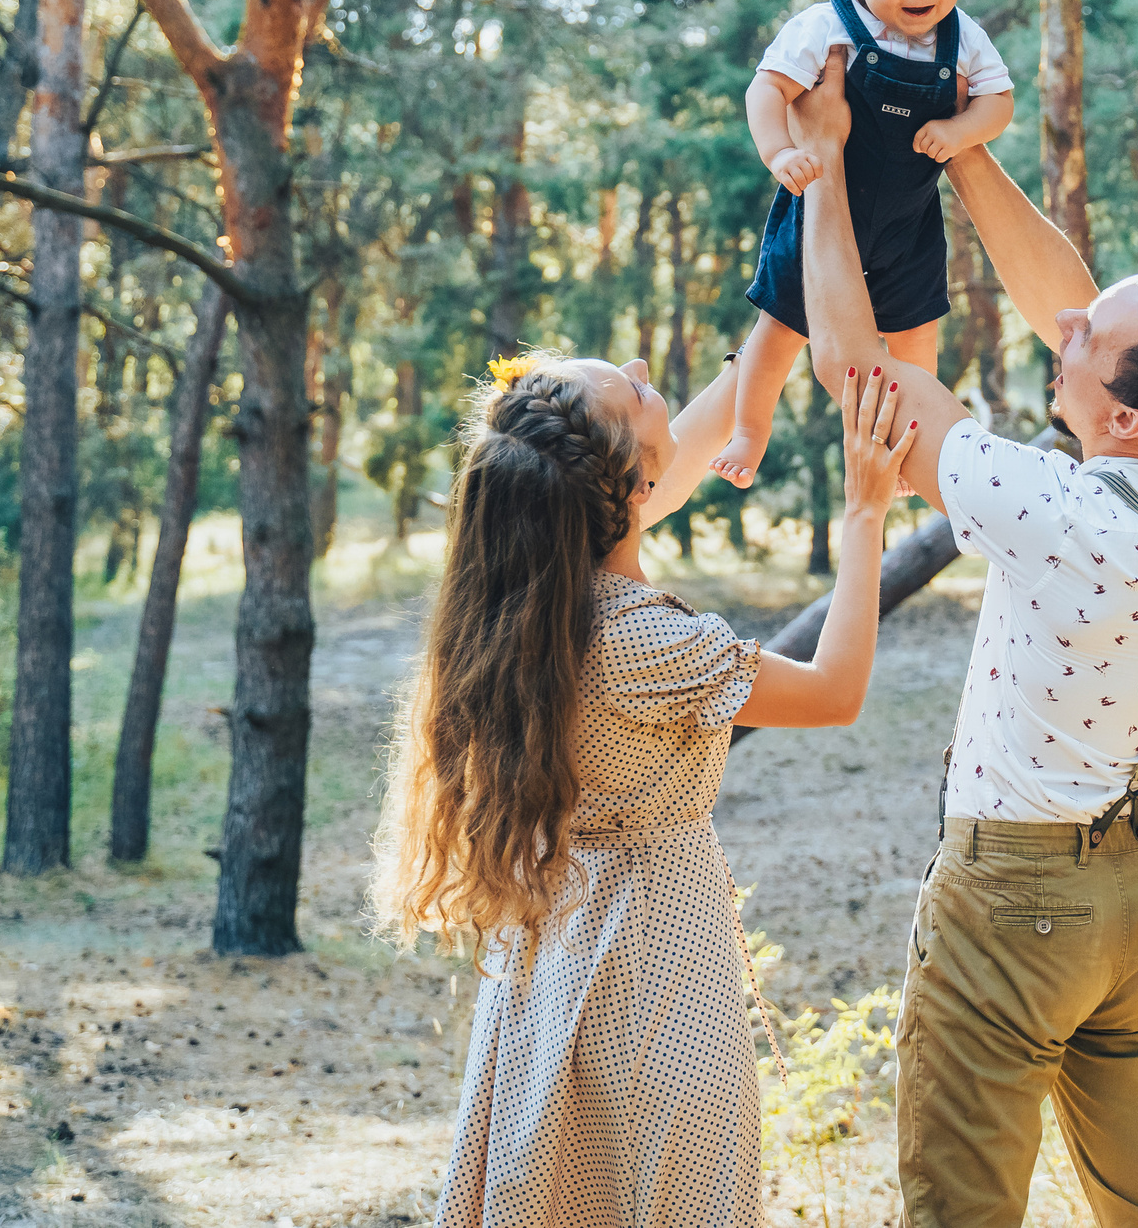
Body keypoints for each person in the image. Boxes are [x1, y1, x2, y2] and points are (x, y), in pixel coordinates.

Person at [787, 61, 1138, 1228]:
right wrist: (956, 147)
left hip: (1014, 902)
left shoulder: (1054, 515)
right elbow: (1077, 310)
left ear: (1122, 420)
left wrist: (823, 171)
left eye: (1085, 343)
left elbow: (862, 378)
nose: (1062, 327)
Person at [374, 352, 917, 1228]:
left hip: (549, 960)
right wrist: (864, 511)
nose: (637, 365)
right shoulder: (649, 644)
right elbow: (835, 689)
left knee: (558, 1191)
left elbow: (680, 443)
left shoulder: (535, 597)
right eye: (629, 385)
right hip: (659, 970)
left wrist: (772, 331)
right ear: (630, 487)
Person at [710, 0, 1015, 489]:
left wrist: (961, 129)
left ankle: (910, 443)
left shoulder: (964, 38)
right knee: (782, 325)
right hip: (822, 209)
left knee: (915, 338)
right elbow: (764, 92)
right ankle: (749, 431)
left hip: (908, 222)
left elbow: (999, 102)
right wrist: (778, 153)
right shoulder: (824, 29)